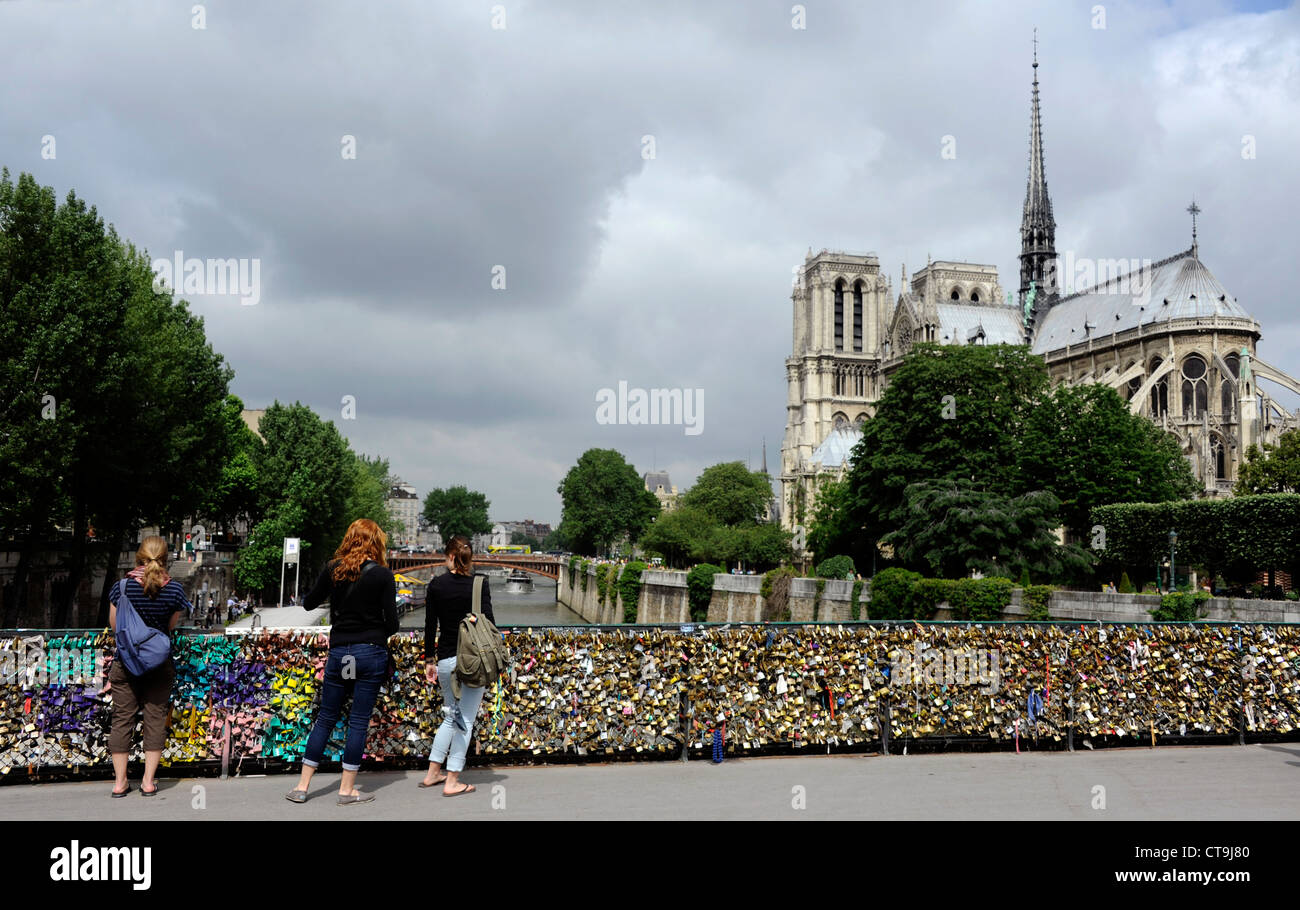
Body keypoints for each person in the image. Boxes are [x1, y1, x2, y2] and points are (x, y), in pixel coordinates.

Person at [286, 518, 398, 806]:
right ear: (376, 542)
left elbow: (309, 603)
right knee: (357, 722)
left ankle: (301, 786)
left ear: (350, 539)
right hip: (369, 652)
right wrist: (373, 634)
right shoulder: (383, 575)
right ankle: (347, 790)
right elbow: (393, 623)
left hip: (340, 653)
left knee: (326, 717)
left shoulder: (333, 569)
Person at [107, 536, 191, 798]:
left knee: (122, 719)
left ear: (138, 557)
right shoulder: (174, 590)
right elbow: (170, 627)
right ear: (165, 559)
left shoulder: (120, 588)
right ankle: (147, 782)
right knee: (155, 719)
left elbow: (114, 626)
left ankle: (120, 783)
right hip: (158, 664)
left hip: (126, 663)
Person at [419, 535, 495, 796]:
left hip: (445, 660)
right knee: (465, 720)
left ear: (450, 556)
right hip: (471, 662)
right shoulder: (479, 583)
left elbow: (430, 626)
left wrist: (429, 659)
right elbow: (490, 623)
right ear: (468, 558)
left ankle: (432, 774)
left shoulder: (436, 585)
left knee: (451, 717)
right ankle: (452, 781)